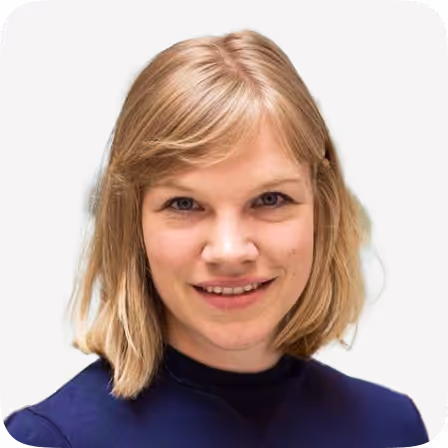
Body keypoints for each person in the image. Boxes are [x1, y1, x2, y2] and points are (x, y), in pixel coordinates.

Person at [4, 29, 429, 447]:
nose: (229, 251)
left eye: (270, 199)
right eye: (185, 204)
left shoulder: (393, 428)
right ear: (132, 225)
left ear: (322, 209)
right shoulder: (53, 439)